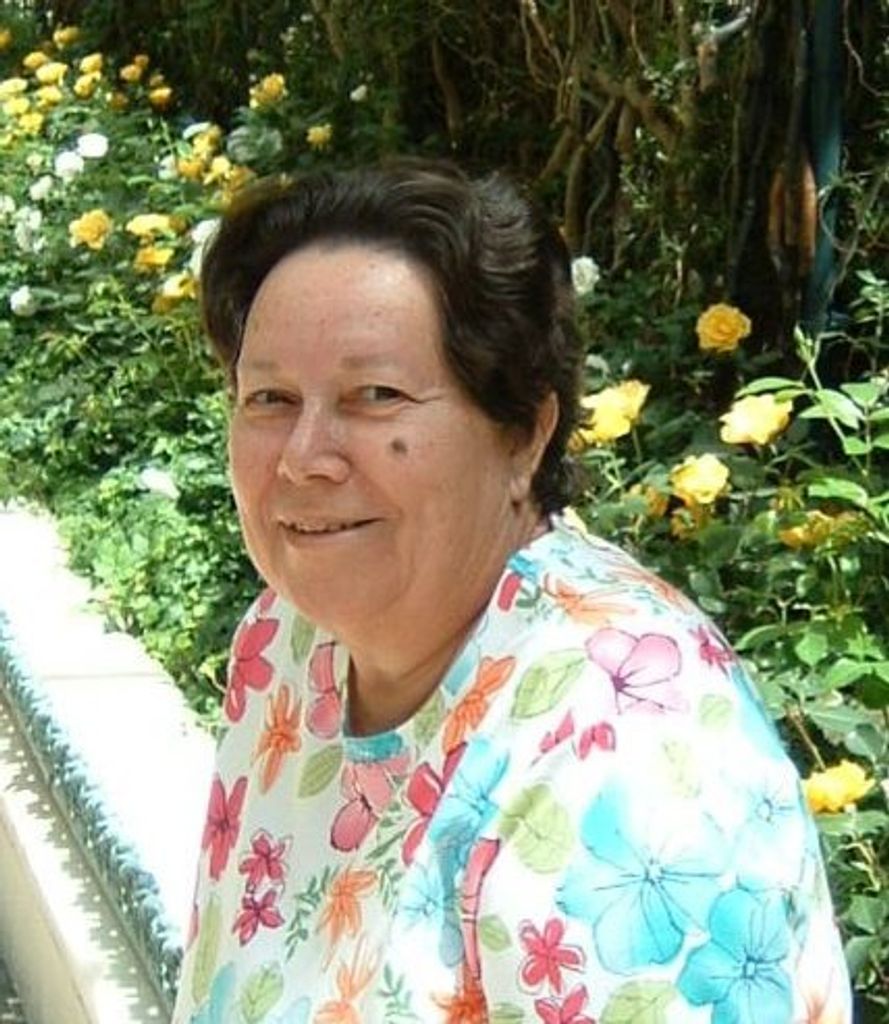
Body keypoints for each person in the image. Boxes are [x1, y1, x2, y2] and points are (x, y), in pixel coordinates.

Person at [172, 159, 852, 1024]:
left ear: (525, 434)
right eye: (269, 398)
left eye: (375, 396)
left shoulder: (630, 753)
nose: (303, 456)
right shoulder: (285, 642)